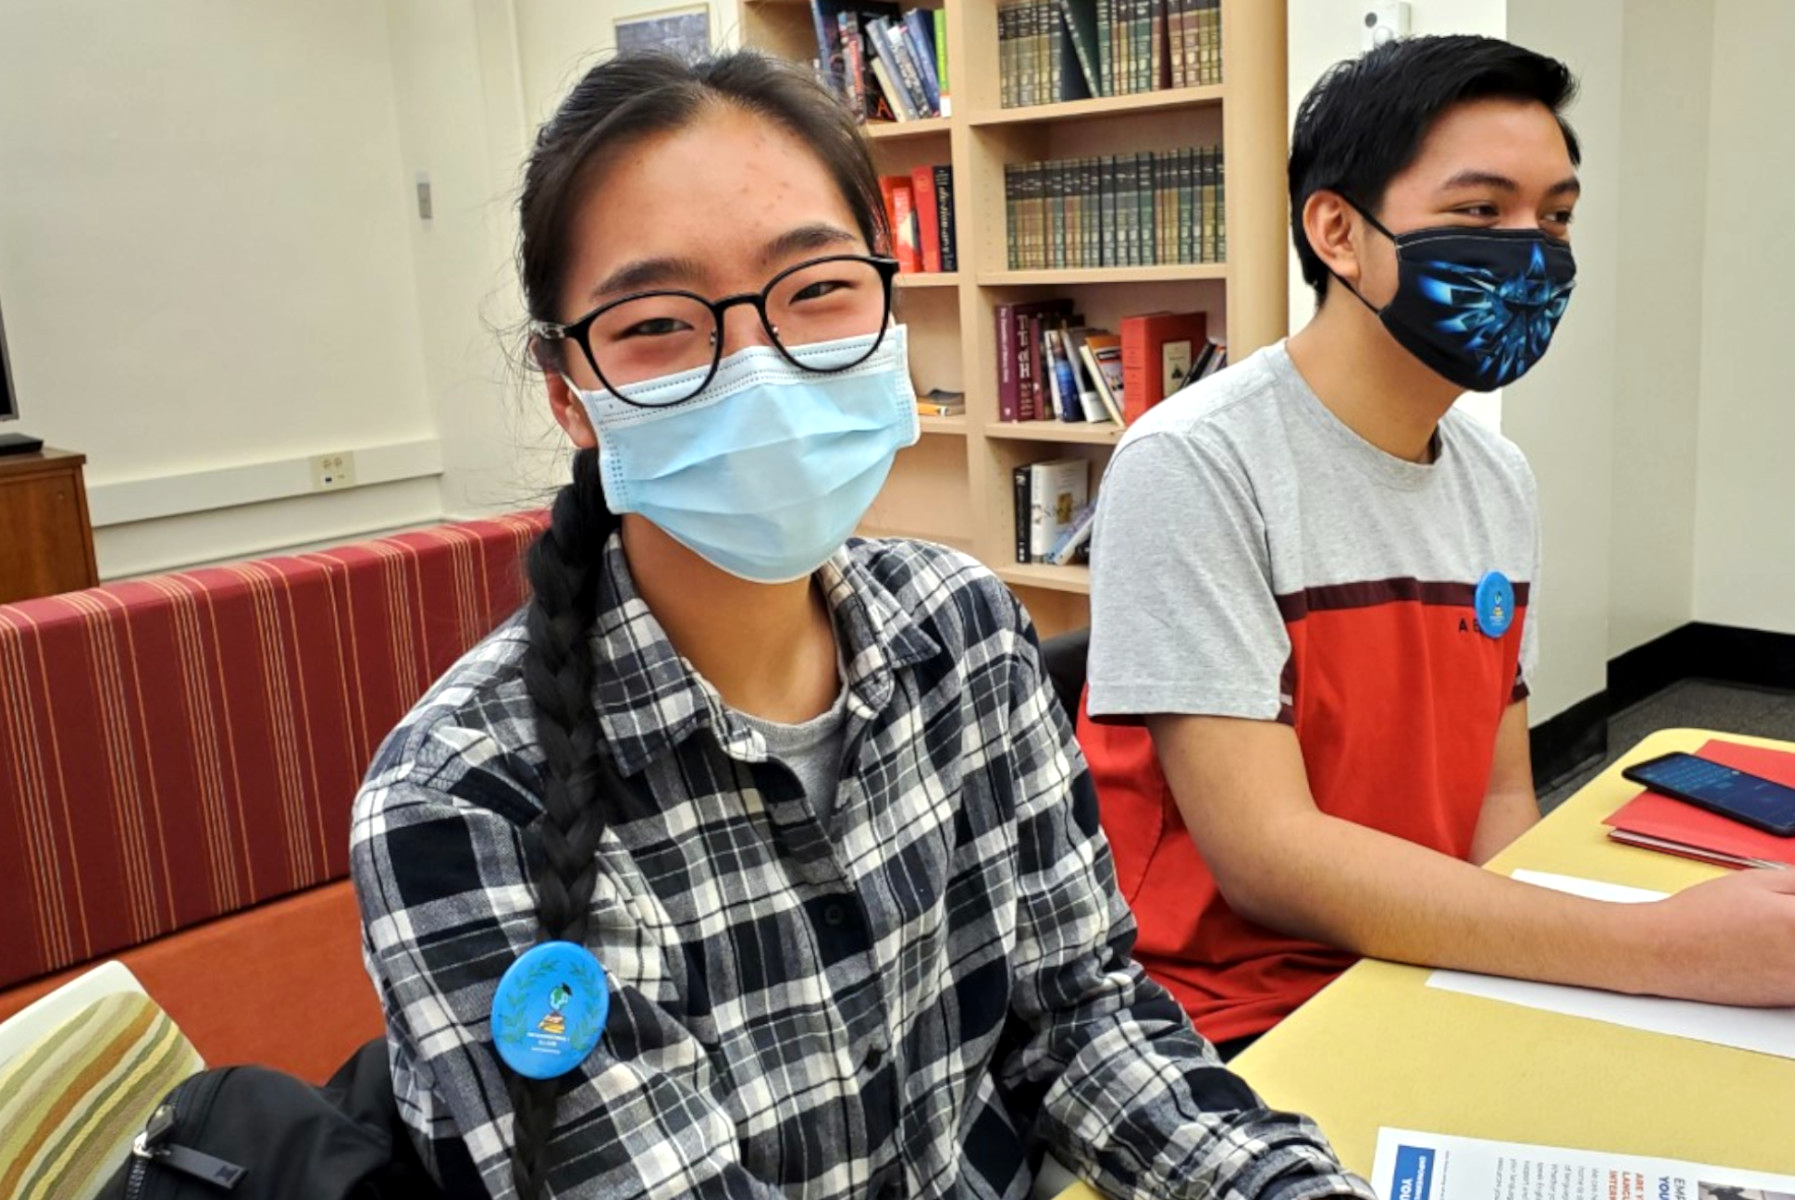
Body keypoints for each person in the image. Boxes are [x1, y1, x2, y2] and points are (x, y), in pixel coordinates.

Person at [351, 49, 1372, 1200]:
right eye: (656, 324)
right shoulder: (466, 805)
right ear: (567, 395)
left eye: (819, 290)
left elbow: (1081, 1022)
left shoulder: (965, 631)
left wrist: (1284, 1186)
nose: (758, 368)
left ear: (888, 310)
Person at [1078, 34, 1795, 1056]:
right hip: (1223, 1009)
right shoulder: (1194, 463)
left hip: (1423, 954)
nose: (1535, 251)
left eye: (1557, 215)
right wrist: (1651, 950)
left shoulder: (1495, 477)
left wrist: (1551, 979)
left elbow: (1498, 790)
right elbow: (1266, 858)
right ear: (1337, 231)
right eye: (1480, 212)